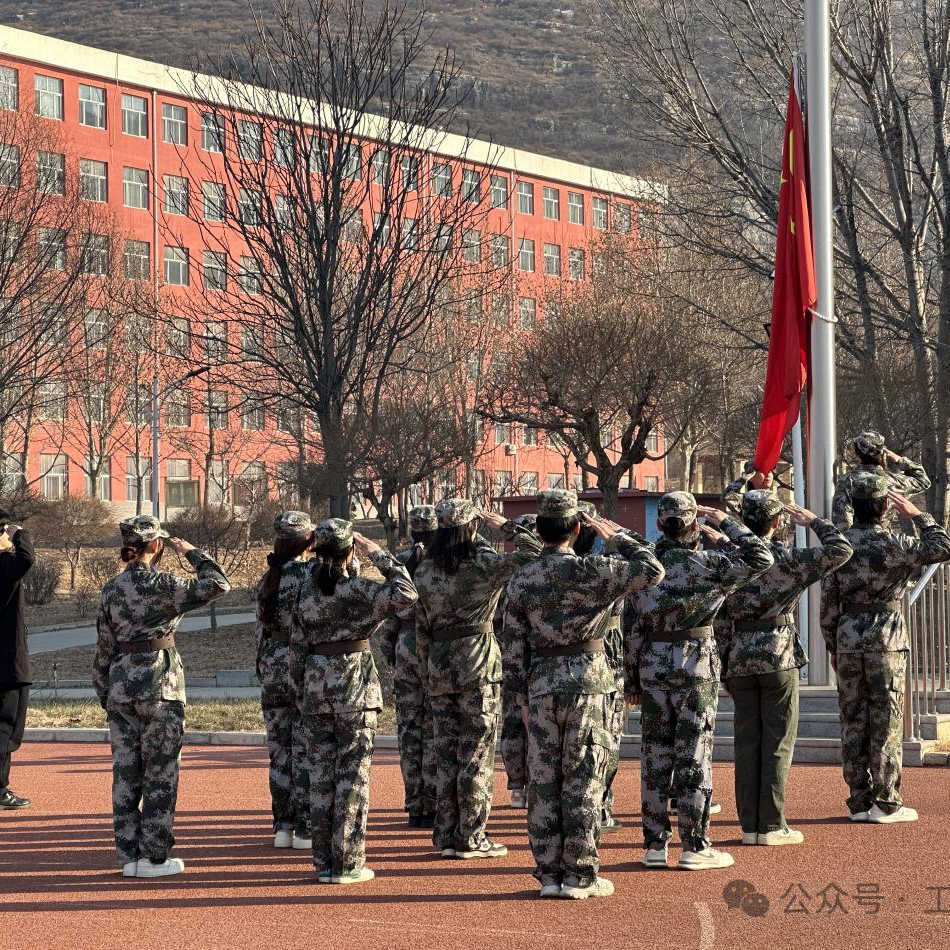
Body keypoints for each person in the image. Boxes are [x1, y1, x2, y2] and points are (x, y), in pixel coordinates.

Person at [504, 490, 665, 899]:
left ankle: (549, 875)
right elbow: (652, 570)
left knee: (544, 781)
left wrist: (520, 698)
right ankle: (580, 875)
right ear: (577, 529)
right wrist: (618, 538)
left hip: (541, 686)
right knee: (584, 778)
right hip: (588, 683)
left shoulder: (522, 579)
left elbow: (513, 646)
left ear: (540, 531)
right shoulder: (594, 570)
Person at [626, 492, 773, 871]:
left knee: (655, 755)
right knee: (694, 753)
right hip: (695, 665)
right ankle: (694, 844)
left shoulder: (646, 565)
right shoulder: (711, 563)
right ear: (693, 524)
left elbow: (633, 626)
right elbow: (762, 557)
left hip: (654, 665)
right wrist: (725, 523)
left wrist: (631, 679)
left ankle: (655, 845)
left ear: (659, 524)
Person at [93, 515, 230, 878]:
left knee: (126, 773)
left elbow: (103, 647)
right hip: (159, 685)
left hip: (121, 686)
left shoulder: (111, 589)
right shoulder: (165, 584)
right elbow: (219, 584)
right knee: (160, 772)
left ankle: (128, 854)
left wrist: (105, 691)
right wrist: (192, 552)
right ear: (156, 545)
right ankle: (153, 857)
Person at [716, 492, 852, 846]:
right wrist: (814, 521)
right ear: (776, 522)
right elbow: (842, 550)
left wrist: (724, 662)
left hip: (739, 655)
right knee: (777, 742)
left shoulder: (728, 559)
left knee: (746, 744)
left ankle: (749, 826)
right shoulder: (789, 559)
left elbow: (719, 618)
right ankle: (772, 825)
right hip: (778, 656)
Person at [291, 519, 417, 884]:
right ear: (349, 551)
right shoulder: (358, 589)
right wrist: (378, 554)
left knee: (321, 779)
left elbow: (296, 648)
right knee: (352, 779)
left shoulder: (305, 594)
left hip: (316, 688)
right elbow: (407, 593)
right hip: (354, 690)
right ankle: (347, 863)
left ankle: (324, 863)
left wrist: (299, 689)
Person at [414, 499, 541, 860]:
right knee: (476, 754)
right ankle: (471, 836)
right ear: (471, 528)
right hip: (477, 663)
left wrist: (426, 669)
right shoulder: (483, 564)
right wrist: (506, 527)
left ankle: (446, 834)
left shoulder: (424, 570)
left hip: (439, 665)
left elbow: (421, 628)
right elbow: (535, 552)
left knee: (445, 753)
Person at [821, 479, 950, 823]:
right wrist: (917, 514)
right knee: (886, 720)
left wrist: (833, 644)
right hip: (886, 639)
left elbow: (828, 602)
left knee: (853, 720)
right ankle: (886, 802)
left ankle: (859, 801)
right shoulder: (897, 543)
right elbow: (942, 546)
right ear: (884, 507)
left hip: (849, 637)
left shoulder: (841, 544)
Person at [256, 510, 316, 851]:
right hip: (303, 665)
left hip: (272, 666)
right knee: (305, 748)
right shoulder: (310, 574)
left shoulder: (270, 576)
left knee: (279, 752)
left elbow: (260, 631)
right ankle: (306, 827)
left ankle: (283, 827)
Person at [380, 505, 438, 828]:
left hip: (405, 646)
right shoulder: (443, 562)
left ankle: (415, 803)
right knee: (434, 726)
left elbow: (390, 613)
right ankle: (433, 799)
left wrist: (389, 652)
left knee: (409, 728)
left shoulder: (399, 562)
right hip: (435, 647)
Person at [572, 500, 626, 833]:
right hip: (607, 653)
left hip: (563, 659)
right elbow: (648, 562)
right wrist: (617, 537)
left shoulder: (554, 566)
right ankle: (600, 808)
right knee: (607, 735)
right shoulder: (607, 566)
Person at [498, 512, 538, 810]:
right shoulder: (544, 570)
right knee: (536, 722)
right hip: (538, 656)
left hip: (510, 653)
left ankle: (517, 787)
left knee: (514, 720)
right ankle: (532, 783)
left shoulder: (504, 570)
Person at [0, 512, 35, 810]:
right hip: (6, 664)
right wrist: (21, 535)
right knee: (5, 728)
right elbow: (26, 559)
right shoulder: (4, 565)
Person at [831, 430, 930, 529]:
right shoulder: (894, 481)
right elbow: (923, 480)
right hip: (884, 536)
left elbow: (843, 519)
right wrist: (899, 459)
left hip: (854, 536)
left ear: (857, 454)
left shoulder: (847, 481)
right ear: (883, 452)